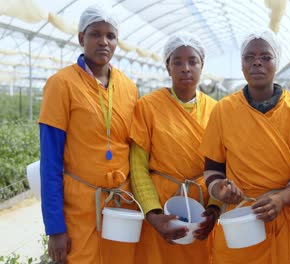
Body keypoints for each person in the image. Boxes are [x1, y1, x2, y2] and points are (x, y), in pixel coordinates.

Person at [200, 29, 290, 264]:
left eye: (265, 57)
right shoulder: (223, 110)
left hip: (289, 218)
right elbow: (213, 168)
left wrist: (281, 199)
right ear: (242, 65)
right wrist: (220, 190)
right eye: (249, 57)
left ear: (276, 62)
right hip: (242, 220)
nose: (257, 62)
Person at [39, 5, 138, 263]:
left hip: (121, 205)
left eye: (110, 36)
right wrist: (55, 228)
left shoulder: (129, 88)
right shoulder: (61, 84)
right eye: (95, 34)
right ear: (82, 38)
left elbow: (135, 152)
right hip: (81, 209)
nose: (103, 42)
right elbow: (50, 162)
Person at [130, 32, 221, 264]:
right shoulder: (148, 107)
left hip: (201, 209)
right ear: (168, 67)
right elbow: (138, 166)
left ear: (202, 66)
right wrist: (153, 214)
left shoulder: (217, 111)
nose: (185, 68)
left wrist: (214, 207)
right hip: (163, 206)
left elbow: (224, 165)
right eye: (177, 62)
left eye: (193, 61)